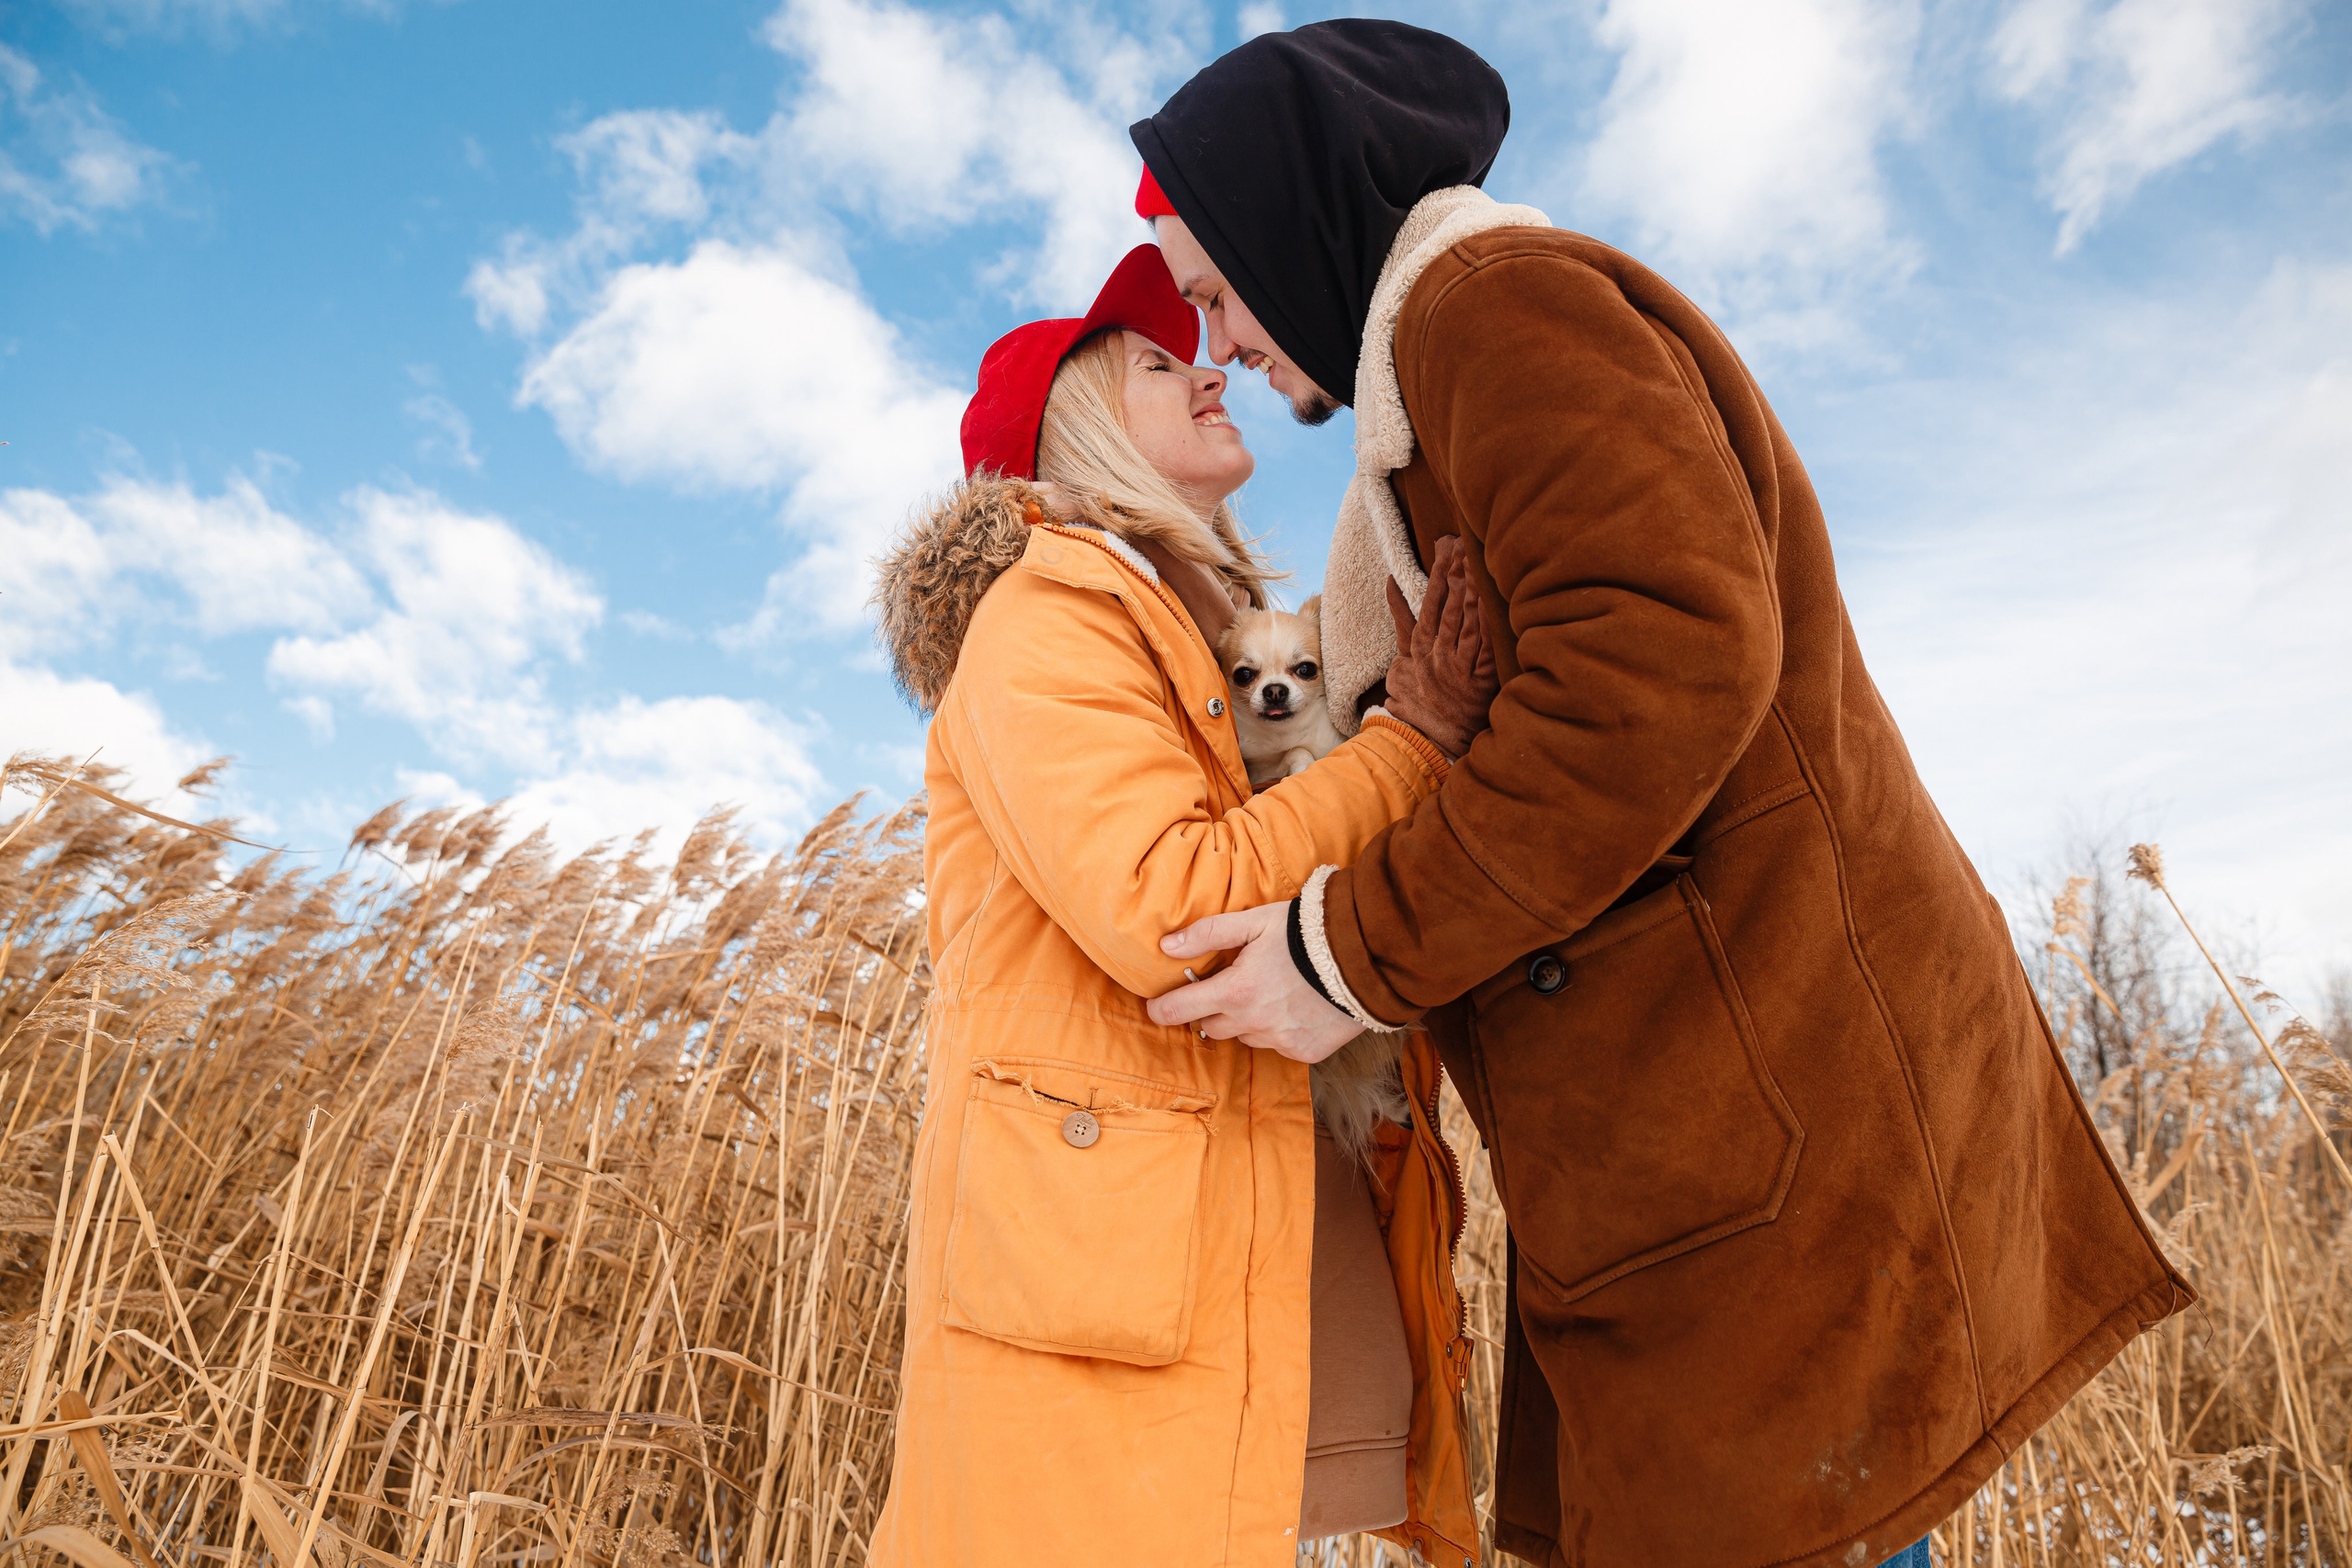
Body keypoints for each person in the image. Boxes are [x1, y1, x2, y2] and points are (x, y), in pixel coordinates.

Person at [1135, 21, 2195, 1568]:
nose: (1220, 340)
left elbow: (1664, 663)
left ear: (1293, 219)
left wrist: (1344, 954)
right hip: (1681, 1150)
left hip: (1770, 1121)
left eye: (1215, 288)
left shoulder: (1497, 310)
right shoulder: (1425, 395)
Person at [864, 244, 1494, 1566]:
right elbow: (1171, 902)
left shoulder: (1194, 633)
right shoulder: (1048, 617)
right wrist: (1408, 747)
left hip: (1228, 1226)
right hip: (1112, 1276)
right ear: (1085, 432)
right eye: (1161, 363)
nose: (1212, 368)